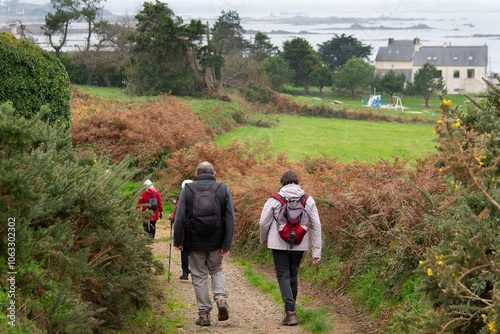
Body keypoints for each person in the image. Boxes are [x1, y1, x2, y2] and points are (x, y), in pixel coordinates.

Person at [173, 161, 235, 326]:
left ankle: (204, 314)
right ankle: (221, 300)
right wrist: (226, 243)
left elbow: (179, 218)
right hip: (216, 241)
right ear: (214, 174)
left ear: (196, 174)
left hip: (195, 242)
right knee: (216, 270)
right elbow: (230, 218)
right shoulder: (223, 188)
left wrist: (178, 241)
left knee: (199, 276)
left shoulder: (188, 189)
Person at [259, 170, 322, 326]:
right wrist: (316, 251)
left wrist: (264, 239)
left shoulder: (275, 199)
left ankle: (290, 312)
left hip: (278, 244)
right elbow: (316, 225)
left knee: (283, 276)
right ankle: (291, 310)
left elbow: (263, 223)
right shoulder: (308, 200)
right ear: (298, 182)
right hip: (300, 244)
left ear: (282, 183)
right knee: (293, 274)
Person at [169, 179, 193, 280]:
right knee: (195, 252)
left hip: (185, 229)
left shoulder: (181, 199)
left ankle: (185, 272)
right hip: (198, 229)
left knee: (184, 251)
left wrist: (170, 217)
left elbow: (176, 217)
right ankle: (197, 274)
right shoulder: (199, 197)